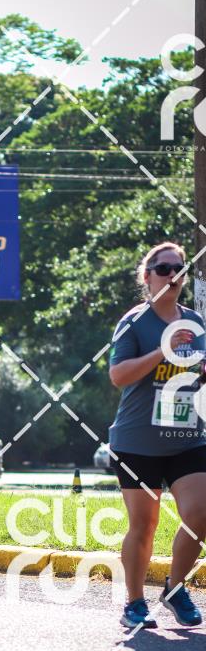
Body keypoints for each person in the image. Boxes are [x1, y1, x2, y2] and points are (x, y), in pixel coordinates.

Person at [109, 241, 206, 628]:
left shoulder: (195, 323)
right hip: (138, 442)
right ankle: (134, 603)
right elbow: (118, 375)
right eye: (164, 269)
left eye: (179, 269)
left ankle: (174, 588)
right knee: (144, 525)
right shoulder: (134, 322)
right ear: (147, 277)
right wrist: (162, 353)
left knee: (199, 513)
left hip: (187, 437)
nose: (173, 275)